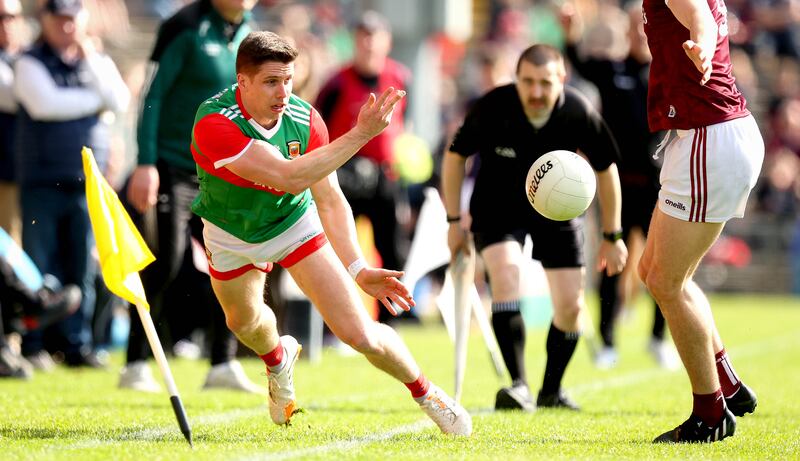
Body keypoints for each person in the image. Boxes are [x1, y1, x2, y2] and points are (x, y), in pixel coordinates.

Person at [189, 30, 471, 435]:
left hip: (292, 224)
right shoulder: (214, 122)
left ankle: (429, 394)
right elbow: (288, 176)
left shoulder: (304, 119)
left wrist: (358, 269)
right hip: (230, 232)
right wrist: (360, 134)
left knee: (360, 335)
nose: (283, 92)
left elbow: (330, 199)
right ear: (243, 81)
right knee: (243, 322)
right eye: (271, 82)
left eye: (288, 80)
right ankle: (277, 360)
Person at [442, 44, 628, 412]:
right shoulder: (493, 106)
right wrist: (452, 220)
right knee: (507, 272)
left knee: (571, 306)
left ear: (562, 79)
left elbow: (607, 170)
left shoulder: (578, 111)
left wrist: (612, 235)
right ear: (517, 79)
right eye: (528, 81)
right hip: (497, 207)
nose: (537, 92)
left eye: (545, 82)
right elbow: (454, 156)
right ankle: (518, 385)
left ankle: (551, 391)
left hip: (558, 214)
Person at [639, 0, 763, 443]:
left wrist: (703, 47)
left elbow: (699, 17)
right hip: (709, 134)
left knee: (667, 282)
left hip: (708, 136)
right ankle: (726, 384)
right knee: (654, 273)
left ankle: (710, 414)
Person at [122, 0, 260, 393]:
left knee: (232, 259)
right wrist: (145, 161)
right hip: (173, 166)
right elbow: (153, 94)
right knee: (166, 262)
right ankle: (134, 362)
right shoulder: (183, 27)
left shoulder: (251, 29)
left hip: (224, 170)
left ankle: (222, 362)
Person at [560, 3, 678, 370]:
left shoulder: (668, 70)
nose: (641, 30)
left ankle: (659, 339)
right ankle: (608, 341)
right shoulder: (612, 70)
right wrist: (571, 32)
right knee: (611, 262)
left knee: (665, 266)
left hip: (662, 188)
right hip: (618, 186)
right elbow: (577, 62)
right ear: (629, 29)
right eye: (636, 24)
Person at [13, 0, 130, 369]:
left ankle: (76, 345)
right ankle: (34, 344)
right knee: (39, 264)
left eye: (71, 19)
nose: (66, 27)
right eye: (59, 19)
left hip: (85, 183)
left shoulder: (94, 60)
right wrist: (94, 102)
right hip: (42, 181)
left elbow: (118, 100)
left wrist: (91, 58)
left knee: (82, 267)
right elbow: (44, 104)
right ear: (45, 20)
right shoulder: (30, 60)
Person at [315, 11, 411, 323]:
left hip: (384, 177)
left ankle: (390, 321)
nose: (369, 44)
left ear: (387, 42)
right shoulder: (336, 83)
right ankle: (339, 321)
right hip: (345, 176)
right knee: (339, 250)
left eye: (375, 36)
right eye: (363, 37)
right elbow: (318, 130)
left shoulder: (399, 78)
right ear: (355, 42)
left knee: (392, 249)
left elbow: (400, 127)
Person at [0, 0, 24, 245]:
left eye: (11, 17)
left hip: (25, 174)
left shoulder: (32, 56)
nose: (6, 24)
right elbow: (19, 97)